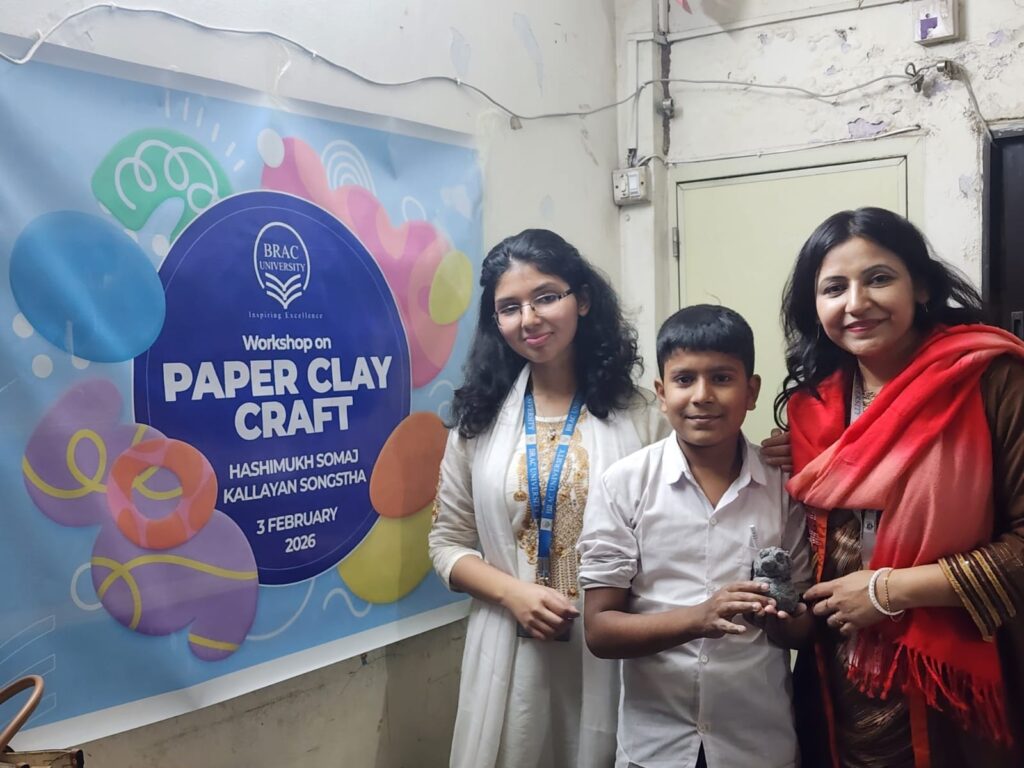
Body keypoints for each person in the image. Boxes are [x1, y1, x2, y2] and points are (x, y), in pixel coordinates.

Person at [776, 207, 1024, 767]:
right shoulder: (813, 410)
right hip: (840, 672)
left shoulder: (992, 379)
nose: (856, 303)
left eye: (879, 278)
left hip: (957, 674)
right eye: (834, 288)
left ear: (923, 287)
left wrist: (887, 591)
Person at [428, 229, 672, 768]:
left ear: (581, 300)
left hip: (616, 643)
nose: (529, 318)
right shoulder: (478, 425)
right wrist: (514, 594)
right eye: (509, 307)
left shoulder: (644, 417)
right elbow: (446, 545)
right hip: (511, 645)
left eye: (545, 297)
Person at [578, 304, 813, 768]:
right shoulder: (623, 484)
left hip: (758, 742)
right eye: (684, 380)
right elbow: (600, 631)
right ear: (662, 394)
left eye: (722, 378)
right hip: (655, 746)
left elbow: (803, 628)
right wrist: (699, 618)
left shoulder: (784, 487)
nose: (702, 396)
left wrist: (778, 616)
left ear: (751, 391)